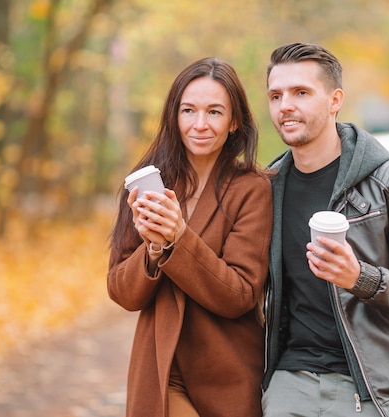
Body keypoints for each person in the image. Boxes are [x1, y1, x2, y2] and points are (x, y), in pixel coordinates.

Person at [261, 42, 389, 417]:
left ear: (335, 100)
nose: (285, 105)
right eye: (276, 95)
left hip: (374, 389)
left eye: (301, 92)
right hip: (290, 381)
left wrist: (360, 278)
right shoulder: (267, 188)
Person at [107, 57, 272, 417]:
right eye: (188, 110)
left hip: (225, 372)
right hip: (160, 370)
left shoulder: (252, 189)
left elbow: (240, 294)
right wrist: (152, 250)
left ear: (235, 122)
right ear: (174, 116)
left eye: (214, 112)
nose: (200, 124)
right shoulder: (147, 184)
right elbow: (121, 291)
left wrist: (179, 238)